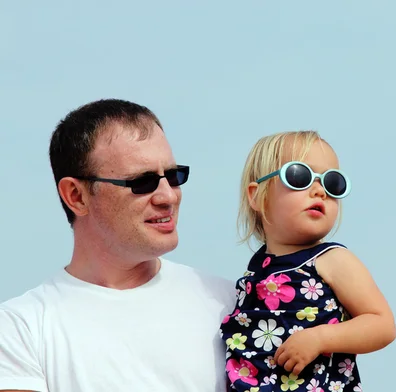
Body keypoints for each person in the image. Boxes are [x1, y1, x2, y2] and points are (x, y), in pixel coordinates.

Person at [0, 99, 236, 392]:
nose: (168, 197)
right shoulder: (19, 329)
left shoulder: (232, 304)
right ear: (76, 196)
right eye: (142, 181)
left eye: (173, 176)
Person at [219, 131, 396, 391]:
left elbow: (382, 324)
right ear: (257, 196)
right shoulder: (255, 272)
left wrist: (321, 338)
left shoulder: (332, 260)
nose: (319, 191)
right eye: (299, 177)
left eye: (332, 183)